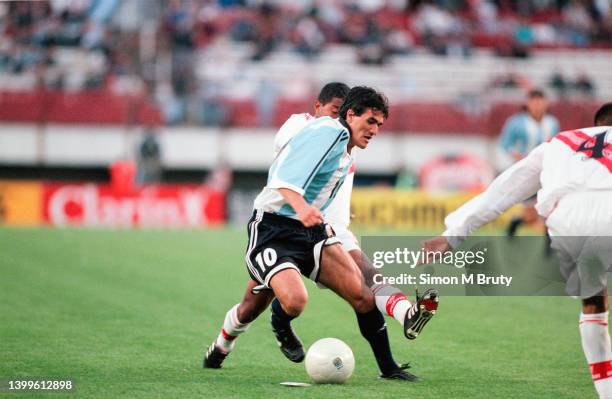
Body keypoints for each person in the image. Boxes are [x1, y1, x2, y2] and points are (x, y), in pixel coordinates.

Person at [203, 86, 420, 380]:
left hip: (312, 232)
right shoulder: (326, 132)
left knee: (363, 296)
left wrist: (320, 216)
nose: (375, 130)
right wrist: (302, 207)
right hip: (273, 229)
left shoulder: (344, 147)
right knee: (291, 301)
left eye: (379, 125)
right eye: (370, 121)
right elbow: (281, 177)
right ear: (350, 114)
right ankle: (259, 332)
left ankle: (389, 368)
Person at [422, 103, 612, 399]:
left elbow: (505, 188)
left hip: (569, 221)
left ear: (595, 123)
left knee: (594, 303)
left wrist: (453, 235)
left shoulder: (560, 141)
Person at [270, 83, 438, 364]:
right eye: (334, 111)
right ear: (319, 108)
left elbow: (332, 186)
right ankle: (235, 340)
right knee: (255, 306)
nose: (334, 118)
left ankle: (403, 326)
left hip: (329, 232)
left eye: (378, 124)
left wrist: (340, 213)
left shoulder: (350, 144)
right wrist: (302, 205)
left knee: (367, 287)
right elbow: (288, 160)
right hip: (282, 226)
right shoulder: (306, 126)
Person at [495, 89, 560, 237]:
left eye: (540, 101)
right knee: (532, 214)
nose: (537, 105)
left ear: (545, 103)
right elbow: (505, 144)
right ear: (528, 103)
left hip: (547, 172)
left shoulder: (552, 123)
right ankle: (516, 222)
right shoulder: (516, 122)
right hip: (526, 172)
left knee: (550, 210)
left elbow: (558, 144)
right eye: (534, 101)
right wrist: (517, 156)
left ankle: (548, 247)